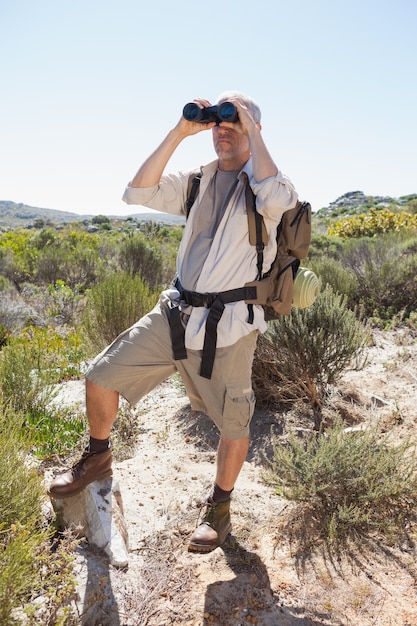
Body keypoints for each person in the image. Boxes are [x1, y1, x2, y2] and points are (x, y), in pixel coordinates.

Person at [48, 91, 298, 553]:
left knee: (233, 422)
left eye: (233, 120)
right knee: (101, 375)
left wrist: (250, 126)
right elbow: (139, 190)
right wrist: (182, 132)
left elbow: (279, 194)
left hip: (232, 324)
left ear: (254, 130)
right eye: (218, 120)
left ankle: (218, 510)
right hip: (177, 312)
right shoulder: (198, 181)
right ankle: (98, 459)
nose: (222, 127)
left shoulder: (266, 188)